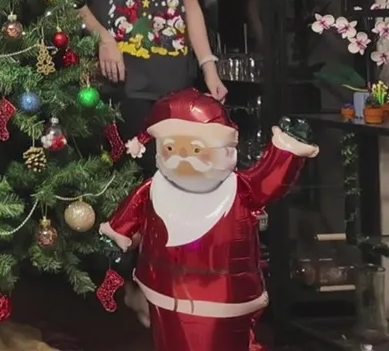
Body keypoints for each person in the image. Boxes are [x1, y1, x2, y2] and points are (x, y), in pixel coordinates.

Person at [77, 0, 227, 325]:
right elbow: (74, 1)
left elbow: (191, 7)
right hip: (122, 86)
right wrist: (105, 39)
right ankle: (124, 286)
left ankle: (160, 285)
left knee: (172, 189)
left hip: (174, 86)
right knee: (128, 189)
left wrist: (208, 68)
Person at [100, 89, 318, 351]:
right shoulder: (154, 189)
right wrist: (116, 237)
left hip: (223, 293)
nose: (183, 158)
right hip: (165, 288)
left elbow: (268, 180)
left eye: (195, 149)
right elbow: (129, 215)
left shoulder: (238, 190)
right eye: (170, 148)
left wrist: (288, 149)